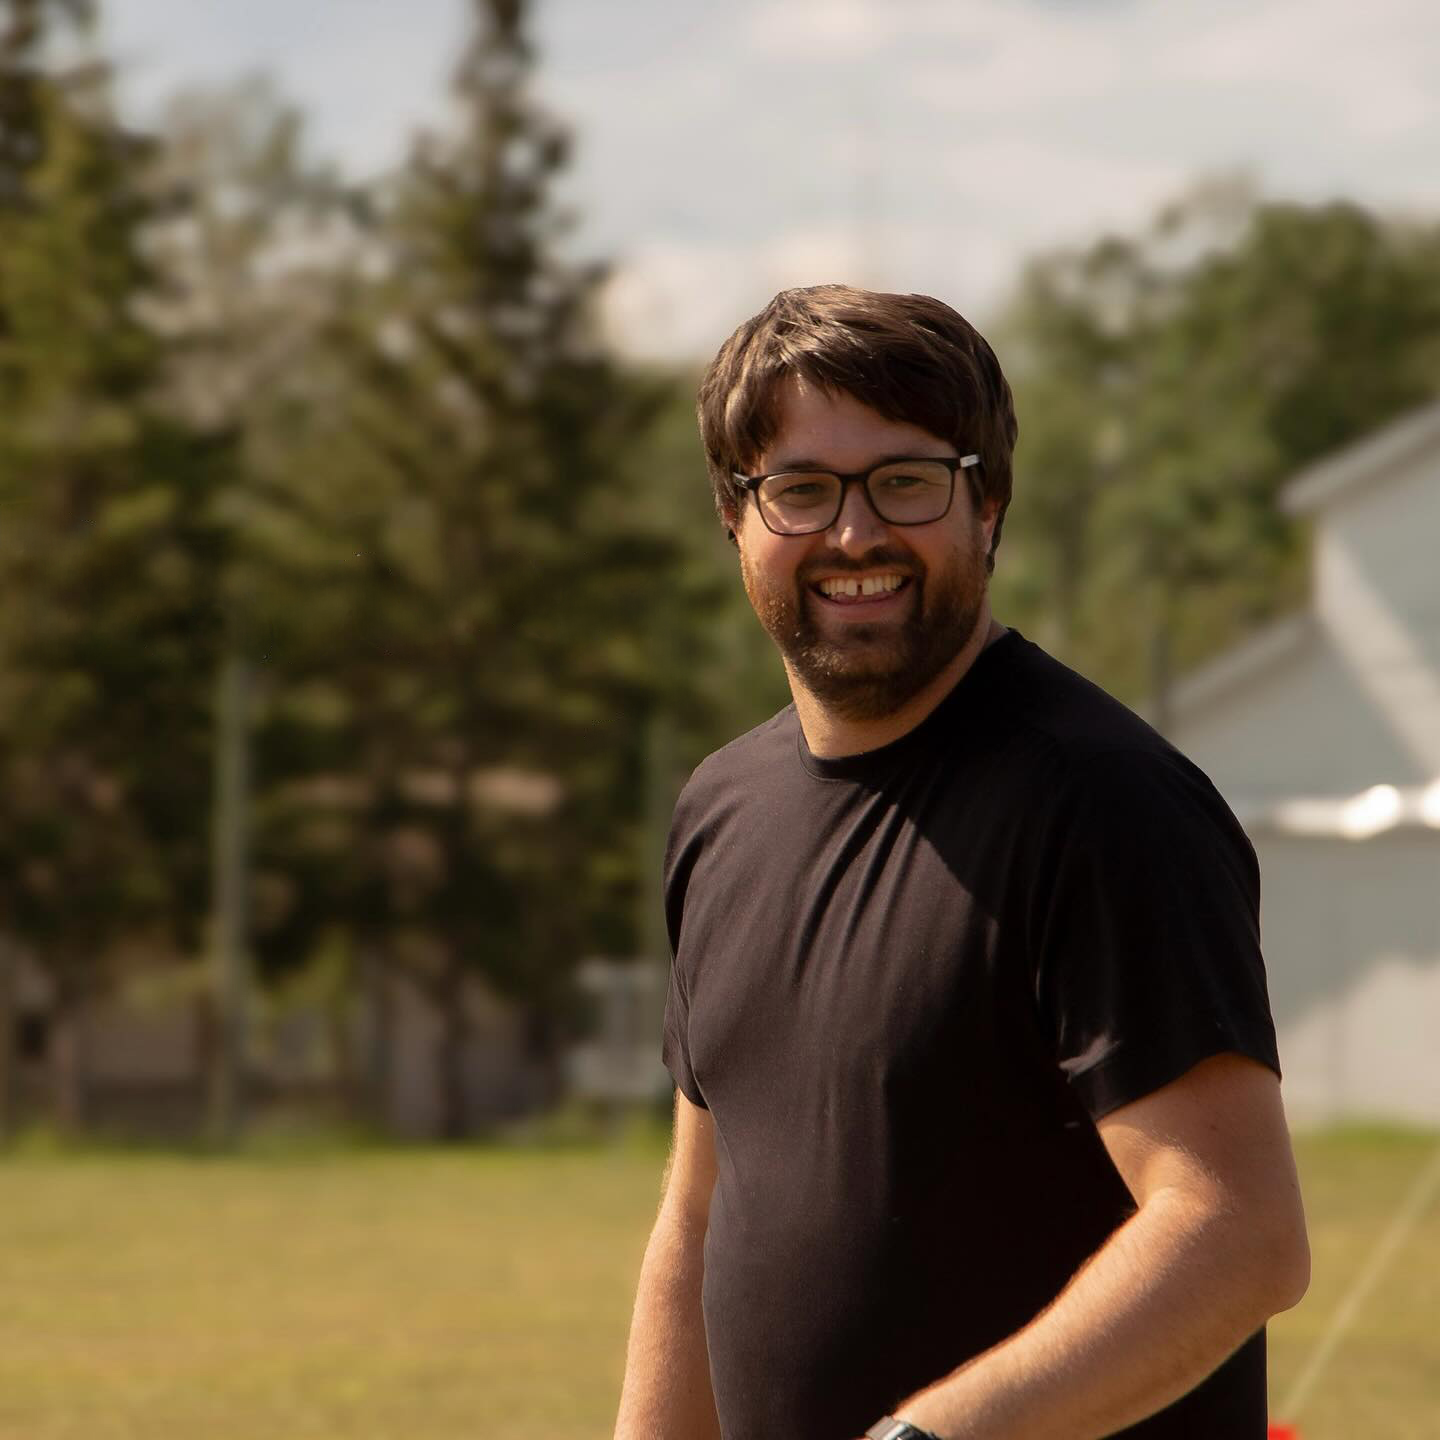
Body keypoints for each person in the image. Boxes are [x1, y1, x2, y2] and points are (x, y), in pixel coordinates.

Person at [613, 285, 1310, 1440]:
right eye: (800, 489)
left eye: (907, 481)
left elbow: (1237, 1232)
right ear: (734, 516)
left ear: (987, 506)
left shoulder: (1104, 804)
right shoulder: (719, 811)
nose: (854, 536)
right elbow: (698, 1218)